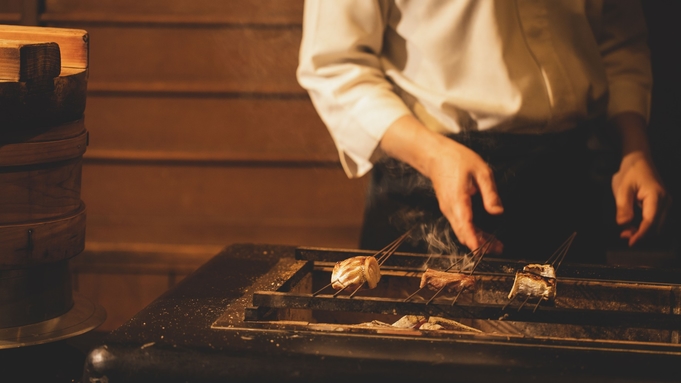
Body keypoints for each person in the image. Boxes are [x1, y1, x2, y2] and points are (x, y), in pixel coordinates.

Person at [296, 0, 671, 263]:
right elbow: (333, 66)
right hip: (429, 180)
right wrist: (432, 154)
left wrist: (634, 149)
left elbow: (619, 40)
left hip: (566, 179)